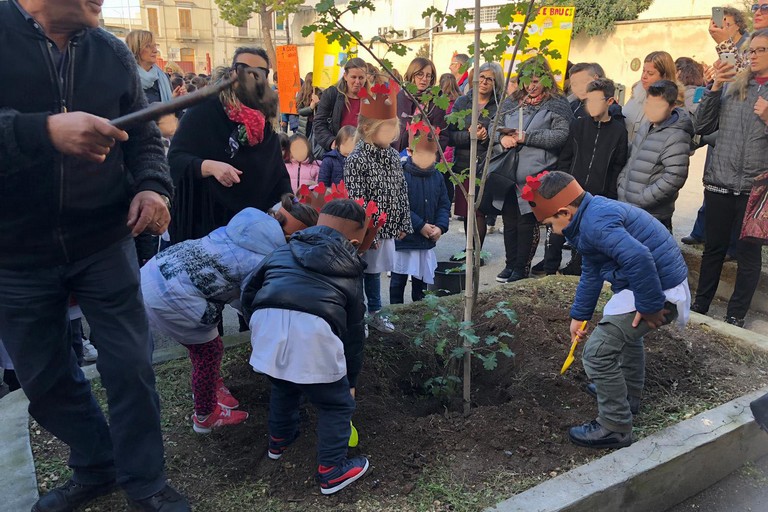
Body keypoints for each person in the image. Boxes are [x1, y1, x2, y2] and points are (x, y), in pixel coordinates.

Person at [0, 1, 189, 510]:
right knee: (44, 380)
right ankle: (96, 462)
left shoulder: (110, 51)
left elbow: (144, 139)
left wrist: (153, 189)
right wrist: (41, 131)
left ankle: (145, 482)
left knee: (131, 366)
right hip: (15, 255)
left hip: (105, 241)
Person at [526, 171, 689, 449]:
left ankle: (615, 426)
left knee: (598, 353)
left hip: (659, 289)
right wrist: (580, 315)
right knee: (622, 338)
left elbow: (639, 257)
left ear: (565, 212)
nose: (551, 230)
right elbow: (593, 268)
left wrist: (649, 308)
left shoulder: (595, 224)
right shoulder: (589, 216)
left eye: (549, 223)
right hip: (646, 284)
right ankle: (627, 396)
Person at [141, 195, 318, 433]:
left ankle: (211, 385)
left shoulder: (247, 225)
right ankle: (205, 415)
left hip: (155, 273)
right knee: (208, 352)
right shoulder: (264, 257)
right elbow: (251, 301)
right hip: (173, 297)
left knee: (202, 347)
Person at [242, 199, 370, 495]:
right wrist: (349, 381)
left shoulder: (282, 250)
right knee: (335, 404)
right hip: (314, 329)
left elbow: (250, 289)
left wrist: (261, 327)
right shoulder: (350, 271)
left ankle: (279, 441)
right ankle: (332, 471)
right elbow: (353, 333)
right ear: (353, 242)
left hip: (267, 323)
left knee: (284, 386)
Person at [168, 47, 291, 243]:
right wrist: (210, 167)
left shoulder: (265, 117)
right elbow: (175, 158)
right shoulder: (205, 108)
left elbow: (277, 171)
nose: (251, 76)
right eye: (243, 68)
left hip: (253, 233)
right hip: (208, 227)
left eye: (259, 72)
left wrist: (288, 202)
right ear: (232, 72)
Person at [691, 28, 768, 327]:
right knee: (714, 248)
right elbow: (702, 124)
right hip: (720, 180)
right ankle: (700, 304)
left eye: (762, 50)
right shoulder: (733, 85)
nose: (754, 55)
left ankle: (735, 315)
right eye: (752, 50)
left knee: (749, 257)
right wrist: (713, 87)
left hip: (756, 188)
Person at [492, 58, 573, 283]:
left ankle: (521, 267)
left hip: (538, 172)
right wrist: (502, 137)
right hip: (509, 172)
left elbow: (560, 135)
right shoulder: (513, 101)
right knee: (508, 220)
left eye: (536, 81)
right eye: (527, 81)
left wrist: (527, 137)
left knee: (526, 221)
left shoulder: (557, 103)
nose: (531, 86)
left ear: (546, 79)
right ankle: (509, 265)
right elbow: (492, 126)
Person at [540, 78, 629, 276]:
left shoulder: (618, 132)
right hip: (570, 192)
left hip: (597, 196)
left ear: (610, 102)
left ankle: (575, 270)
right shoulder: (578, 126)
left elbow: (617, 166)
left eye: (597, 100)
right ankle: (549, 270)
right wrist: (561, 187)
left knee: (585, 237)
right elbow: (566, 157)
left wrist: (609, 196)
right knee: (556, 234)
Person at [344, 81, 413, 333]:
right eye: (385, 129)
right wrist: (365, 232)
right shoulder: (357, 159)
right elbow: (356, 198)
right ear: (366, 128)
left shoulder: (394, 157)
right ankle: (362, 315)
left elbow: (401, 191)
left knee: (377, 272)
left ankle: (376, 312)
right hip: (367, 232)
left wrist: (403, 222)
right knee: (364, 273)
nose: (391, 134)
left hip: (386, 229)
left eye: (393, 129)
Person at [617, 80, 693, 231]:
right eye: (648, 104)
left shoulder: (676, 135)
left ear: (672, 106)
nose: (651, 110)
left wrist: (644, 198)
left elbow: (674, 177)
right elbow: (632, 158)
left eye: (658, 106)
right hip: (630, 206)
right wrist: (621, 184)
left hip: (652, 214)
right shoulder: (647, 126)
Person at [446, 62, 503, 256]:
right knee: (466, 211)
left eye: (490, 79)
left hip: (486, 163)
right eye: (482, 78)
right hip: (463, 164)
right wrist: (469, 135)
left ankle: (475, 253)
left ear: (496, 83)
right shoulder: (462, 102)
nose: (485, 82)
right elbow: (451, 136)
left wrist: (486, 137)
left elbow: (502, 135)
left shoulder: (500, 105)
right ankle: (469, 249)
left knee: (479, 210)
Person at [391, 127, 451, 304]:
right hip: (404, 239)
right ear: (410, 151)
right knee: (398, 281)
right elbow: (398, 205)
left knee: (421, 285)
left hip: (426, 241)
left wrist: (440, 227)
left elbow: (443, 204)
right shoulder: (400, 174)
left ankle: (420, 313)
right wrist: (420, 226)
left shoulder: (438, 177)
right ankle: (395, 314)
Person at [393, 58, 449, 158]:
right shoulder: (400, 97)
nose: (424, 79)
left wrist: (430, 156)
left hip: (423, 161)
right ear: (411, 74)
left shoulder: (436, 101)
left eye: (428, 76)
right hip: (397, 159)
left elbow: (443, 135)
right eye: (420, 74)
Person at [623, 51, 680, 143]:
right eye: (643, 71)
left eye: (650, 73)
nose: (644, 77)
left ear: (664, 76)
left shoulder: (672, 104)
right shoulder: (636, 93)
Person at [313, 58, 368, 154]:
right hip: (337, 153)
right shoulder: (331, 94)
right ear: (345, 76)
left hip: (363, 154)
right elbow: (319, 123)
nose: (357, 82)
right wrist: (331, 142)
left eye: (361, 78)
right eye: (353, 77)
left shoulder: (371, 99)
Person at [710, 6, 751, 71]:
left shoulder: (750, 45)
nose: (723, 28)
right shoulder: (729, 46)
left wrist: (724, 43)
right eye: (720, 25)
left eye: (727, 25)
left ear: (738, 26)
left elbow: (739, 75)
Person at [297, 72, 321, 137]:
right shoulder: (302, 94)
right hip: (305, 126)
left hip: (316, 124)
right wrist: (310, 108)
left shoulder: (319, 93)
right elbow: (299, 111)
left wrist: (318, 102)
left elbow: (324, 109)